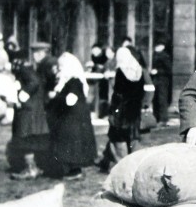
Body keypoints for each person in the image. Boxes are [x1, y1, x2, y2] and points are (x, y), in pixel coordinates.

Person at [46, 52, 97, 180]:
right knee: (70, 145)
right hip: (70, 118)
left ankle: (75, 170)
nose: (59, 70)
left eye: (61, 67)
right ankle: (70, 169)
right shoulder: (67, 81)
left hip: (74, 120)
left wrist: (56, 97)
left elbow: (70, 100)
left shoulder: (74, 81)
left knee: (73, 145)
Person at [96, 46, 146, 172]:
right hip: (134, 109)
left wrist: (112, 110)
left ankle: (122, 165)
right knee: (133, 137)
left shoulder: (121, 71)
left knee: (118, 137)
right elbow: (140, 91)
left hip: (121, 110)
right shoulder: (139, 70)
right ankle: (132, 163)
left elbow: (118, 92)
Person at [9, 41, 54, 180]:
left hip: (28, 110)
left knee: (25, 139)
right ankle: (33, 167)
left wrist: (23, 95)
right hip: (34, 109)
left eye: (37, 52)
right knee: (29, 139)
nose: (34, 55)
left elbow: (34, 82)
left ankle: (30, 169)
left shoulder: (24, 68)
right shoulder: (32, 67)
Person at [151, 40, 172, 126]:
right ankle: (157, 118)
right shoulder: (156, 55)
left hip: (162, 80)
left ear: (162, 46)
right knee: (156, 99)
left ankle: (163, 119)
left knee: (162, 99)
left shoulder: (164, 56)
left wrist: (157, 71)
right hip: (157, 80)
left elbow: (169, 69)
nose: (156, 47)